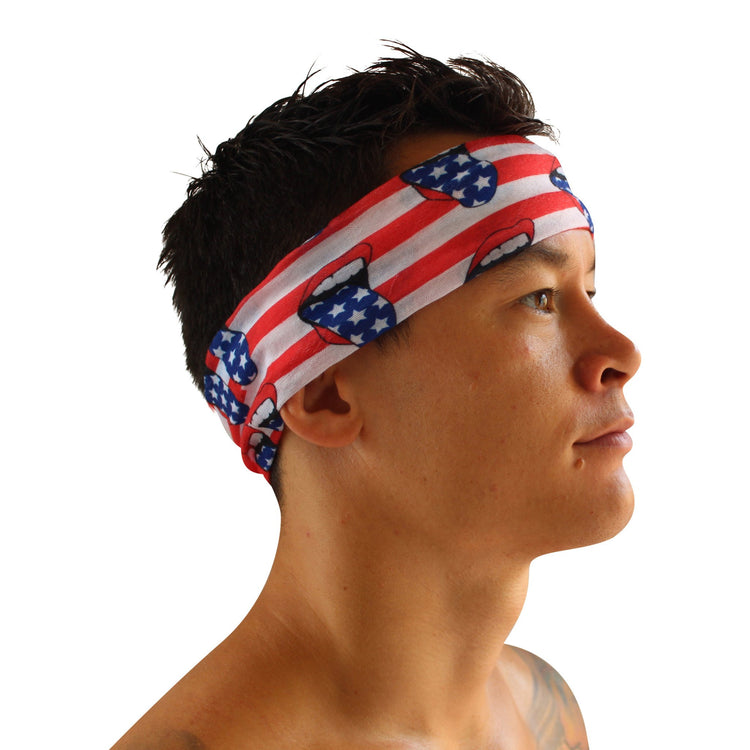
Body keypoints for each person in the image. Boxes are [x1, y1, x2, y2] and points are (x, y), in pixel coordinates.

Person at [112, 45, 640, 750]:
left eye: (590, 291)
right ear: (326, 394)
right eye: (538, 298)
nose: (621, 354)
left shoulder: (543, 711)